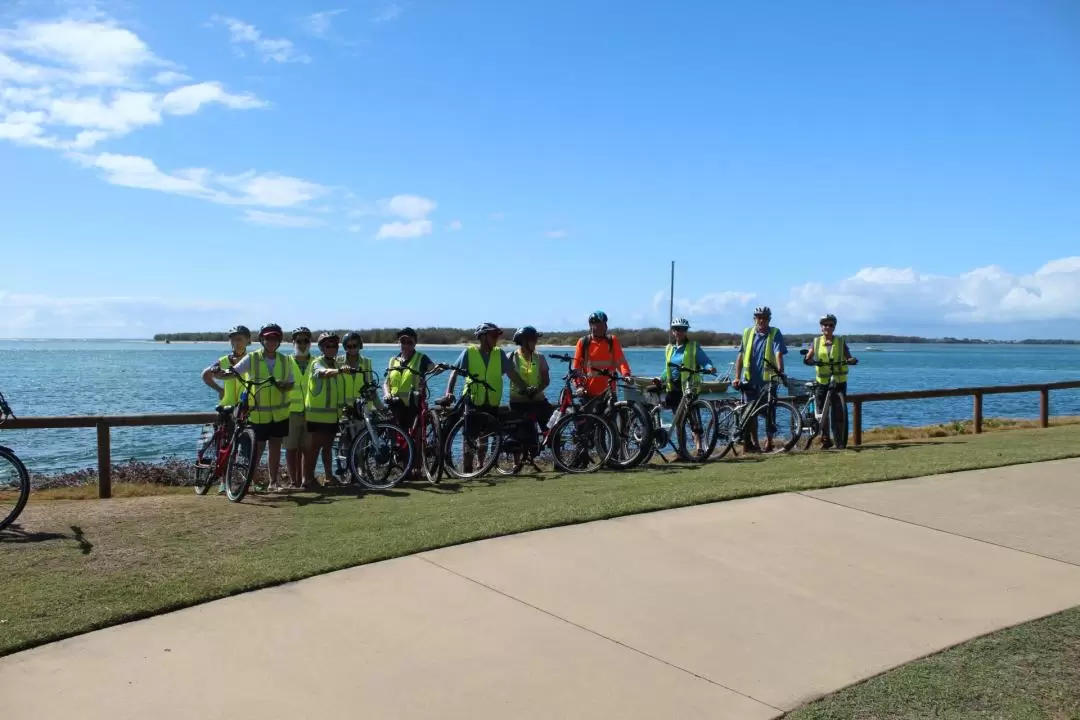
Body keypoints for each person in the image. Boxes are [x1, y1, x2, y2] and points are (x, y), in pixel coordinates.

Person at [216, 323, 294, 490]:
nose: (271, 342)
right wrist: (220, 373)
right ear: (261, 340)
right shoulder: (252, 358)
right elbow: (234, 372)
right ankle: (248, 483)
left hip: (280, 415)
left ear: (279, 340)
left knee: (275, 450)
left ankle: (273, 483)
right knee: (256, 452)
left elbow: (290, 384)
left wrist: (282, 385)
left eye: (274, 339)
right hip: (258, 414)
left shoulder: (285, 360)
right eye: (267, 339)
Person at [444, 322, 531, 472]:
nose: (496, 338)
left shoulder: (499, 353)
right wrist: (449, 392)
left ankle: (481, 468)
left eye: (497, 335)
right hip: (473, 399)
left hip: (492, 401)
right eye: (493, 335)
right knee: (470, 438)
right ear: (483, 337)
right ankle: (468, 470)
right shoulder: (469, 352)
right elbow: (454, 372)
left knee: (486, 435)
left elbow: (512, 374)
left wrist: (525, 388)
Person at [733, 306, 787, 452]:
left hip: (768, 381)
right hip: (749, 380)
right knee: (750, 414)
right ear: (754, 318)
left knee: (769, 412)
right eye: (758, 317)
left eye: (764, 317)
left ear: (769, 319)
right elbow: (741, 355)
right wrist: (737, 377)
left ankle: (769, 442)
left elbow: (778, 353)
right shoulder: (747, 332)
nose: (761, 320)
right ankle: (755, 443)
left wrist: (780, 371)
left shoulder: (775, 332)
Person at [802, 313, 859, 449]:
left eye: (830, 325)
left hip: (839, 380)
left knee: (839, 412)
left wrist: (851, 360)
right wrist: (811, 361)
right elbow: (808, 358)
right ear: (821, 327)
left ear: (834, 327)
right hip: (822, 381)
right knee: (823, 412)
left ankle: (839, 440)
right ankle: (826, 438)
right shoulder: (816, 342)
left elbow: (848, 356)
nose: (827, 327)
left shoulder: (840, 341)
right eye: (825, 325)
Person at [304, 332, 344, 487]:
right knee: (314, 449)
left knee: (327, 448)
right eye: (328, 346)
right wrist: (339, 371)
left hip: (331, 415)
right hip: (316, 415)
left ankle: (329, 477)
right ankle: (308, 479)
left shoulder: (335, 364)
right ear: (321, 348)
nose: (332, 348)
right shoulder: (317, 362)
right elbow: (322, 373)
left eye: (335, 345)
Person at [335, 331, 376, 479]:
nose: (352, 349)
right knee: (344, 444)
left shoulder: (366, 362)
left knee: (361, 443)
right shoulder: (338, 361)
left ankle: (361, 470)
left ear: (360, 346)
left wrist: (379, 405)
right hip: (343, 409)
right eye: (349, 346)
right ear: (345, 347)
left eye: (355, 345)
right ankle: (346, 472)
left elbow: (370, 386)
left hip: (361, 408)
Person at [383, 327, 435, 433]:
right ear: (399, 343)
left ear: (415, 343)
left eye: (409, 342)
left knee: (413, 435)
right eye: (403, 342)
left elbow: (433, 368)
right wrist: (387, 393)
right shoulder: (393, 360)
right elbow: (386, 382)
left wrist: (440, 368)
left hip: (413, 404)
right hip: (394, 404)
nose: (406, 345)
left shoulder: (421, 358)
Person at [571, 310, 632, 399]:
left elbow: (621, 362)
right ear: (591, 326)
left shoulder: (612, 341)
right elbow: (576, 368)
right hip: (588, 392)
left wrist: (626, 375)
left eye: (604, 324)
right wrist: (579, 386)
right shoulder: (583, 342)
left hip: (609, 392)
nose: (604, 327)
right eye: (600, 325)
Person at [659, 317, 717, 410]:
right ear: (673, 331)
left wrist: (710, 368)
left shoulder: (693, 347)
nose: (681, 332)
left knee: (690, 416)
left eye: (684, 329)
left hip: (689, 388)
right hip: (673, 388)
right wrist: (661, 378)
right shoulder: (669, 348)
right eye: (678, 329)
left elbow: (705, 361)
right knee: (677, 419)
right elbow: (668, 368)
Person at [284, 326, 313, 489]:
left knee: (307, 448)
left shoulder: (316, 362)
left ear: (310, 343)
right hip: (290, 412)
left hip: (310, 412)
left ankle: (305, 480)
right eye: (299, 341)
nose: (302, 344)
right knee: (290, 448)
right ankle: (293, 481)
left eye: (306, 341)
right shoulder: (285, 361)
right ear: (293, 343)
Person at [508, 325, 554, 429]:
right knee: (527, 437)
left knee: (552, 432)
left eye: (536, 340)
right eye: (533, 340)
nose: (536, 342)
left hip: (539, 401)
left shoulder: (540, 357)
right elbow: (509, 374)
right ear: (523, 341)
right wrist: (525, 389)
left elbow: (546, 381)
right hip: (518, 403)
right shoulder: (511, 357)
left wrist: (536, 390)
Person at [201, 325, 250, 405]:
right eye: (233, 340)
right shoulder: (224, 361)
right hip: (227, 406)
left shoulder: (252, 359)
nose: (235, 342)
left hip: (246, 407)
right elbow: (205, 374)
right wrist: (220, 390)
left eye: (239, 339)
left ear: (248, 340)